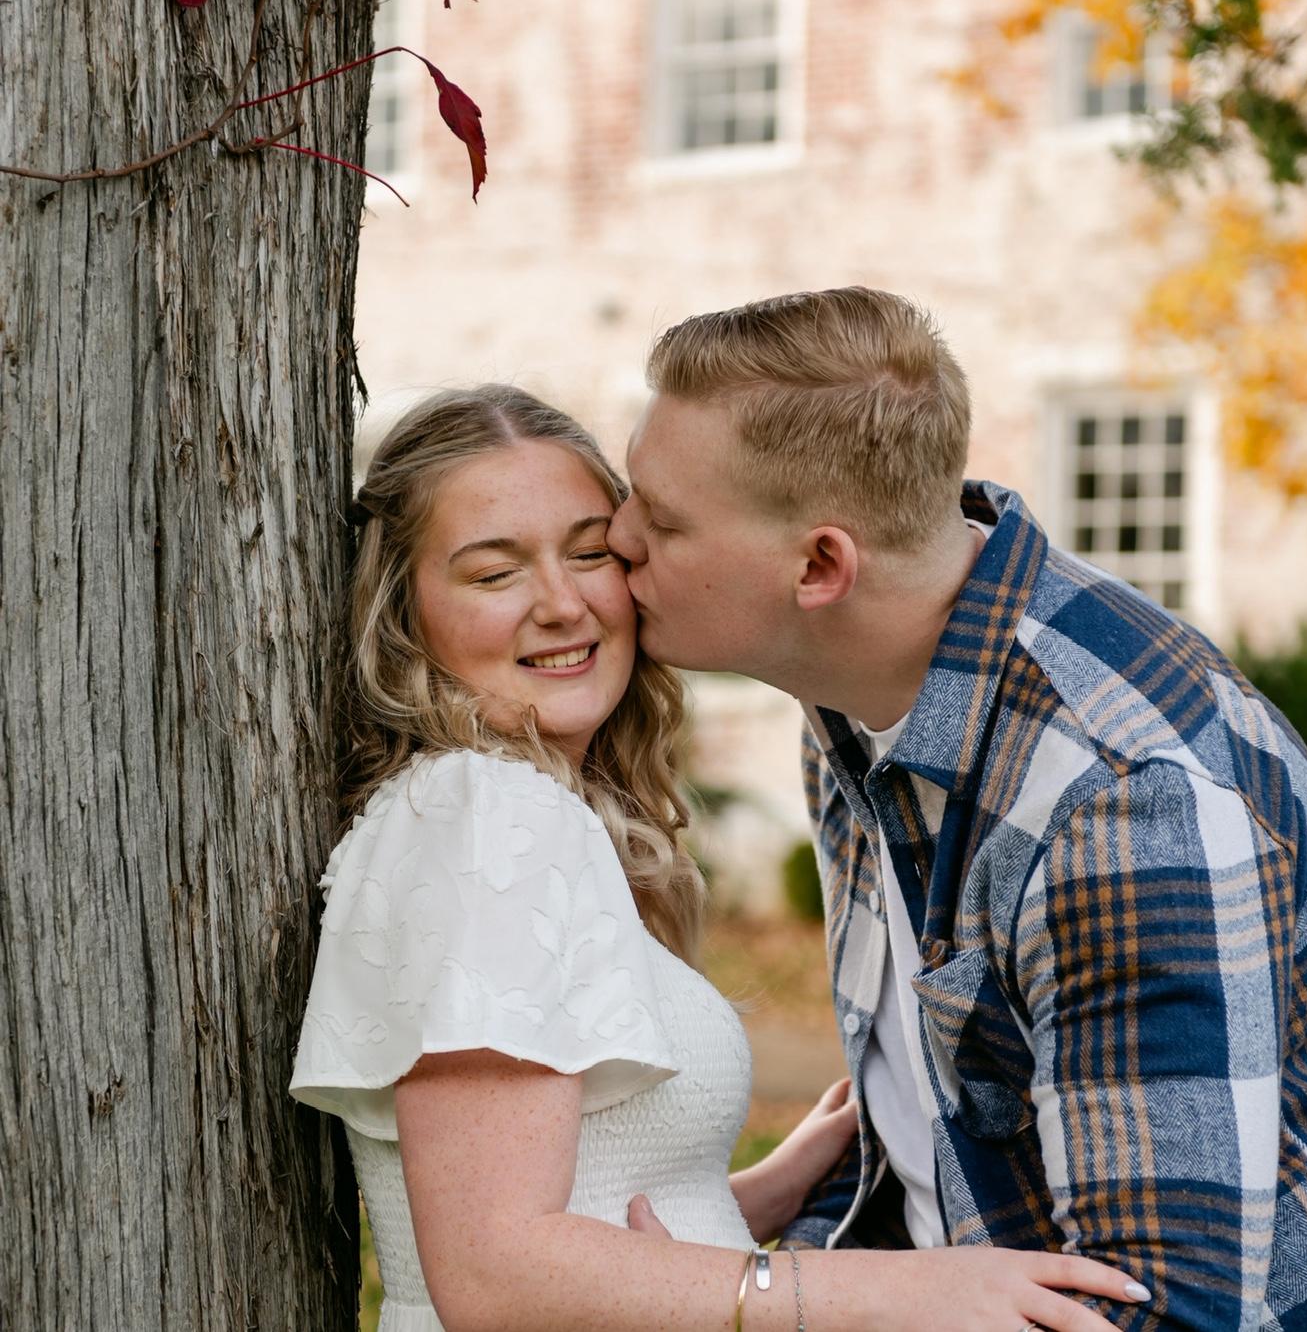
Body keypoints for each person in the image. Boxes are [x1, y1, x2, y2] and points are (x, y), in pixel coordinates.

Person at [288, 383, 1150, 1331]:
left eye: (590, 553)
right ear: (402, 614)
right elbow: (494, 1272)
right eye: (495, 574)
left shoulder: (520, 811)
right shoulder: (484, 816)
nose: (563, 604)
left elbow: (579, 1211)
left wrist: (772, 1186)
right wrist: (915, 1290)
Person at [606, 287, 1307, 1329]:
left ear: (819, 565)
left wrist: (751, 1298)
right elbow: (928, 1159)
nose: (617, 537)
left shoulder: (1119, 810)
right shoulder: (854, 685)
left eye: (662, 519)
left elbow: (1158, 1311)